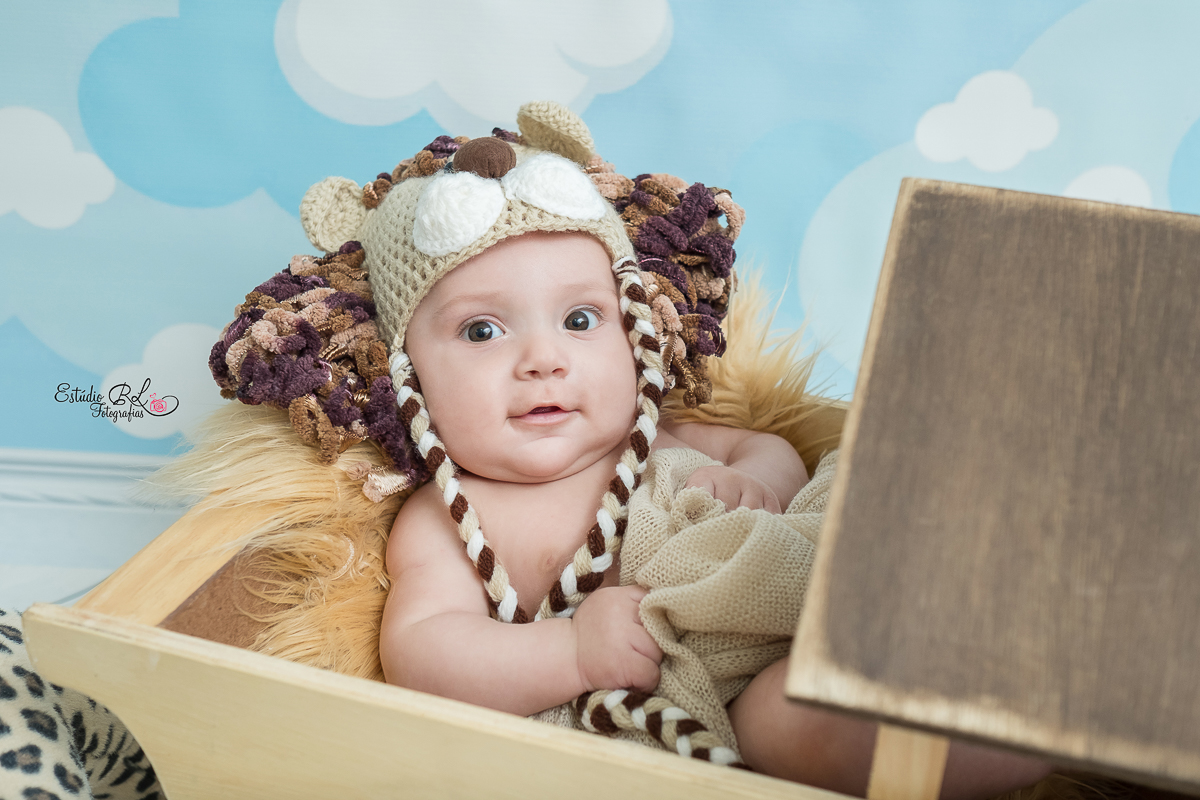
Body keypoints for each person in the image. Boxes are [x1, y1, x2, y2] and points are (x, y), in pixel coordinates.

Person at [279, 101, 1052, 799]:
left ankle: (1019, 611)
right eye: (484, 331)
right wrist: (572, 655)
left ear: (635, 333)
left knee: (886, 484)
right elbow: (425, 652)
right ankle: (1021, 725)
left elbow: (775, 449)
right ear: (403, 376)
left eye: (580, 320)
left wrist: (754, 478)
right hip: (725, 686)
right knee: (784, 726)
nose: (543, 360)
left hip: (822, 592)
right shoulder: (449, 519)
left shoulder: (657, 438)